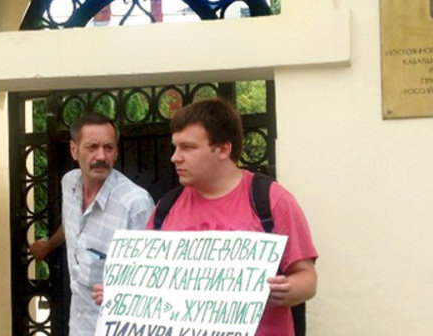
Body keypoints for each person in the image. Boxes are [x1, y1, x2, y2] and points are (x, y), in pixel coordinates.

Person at [92, 98, 317, 336]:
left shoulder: (271, 201)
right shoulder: (165, 209)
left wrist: (287, 290)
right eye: (175, 147)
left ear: (223, 149)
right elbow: (152, 286)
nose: (175, 157)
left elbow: (307, 277)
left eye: (187, 148)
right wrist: (120, 295)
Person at [29, 113, 154, 336]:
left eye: (108, 147)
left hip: (119, 328)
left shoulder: (135, 204)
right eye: (92, 147)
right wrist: (49, 245)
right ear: (74, 149)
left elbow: (151, 274)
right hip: (78, 323)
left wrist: (122, 292)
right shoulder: (70, 183)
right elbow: (73, 224)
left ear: (116, 151)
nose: (101, 156)